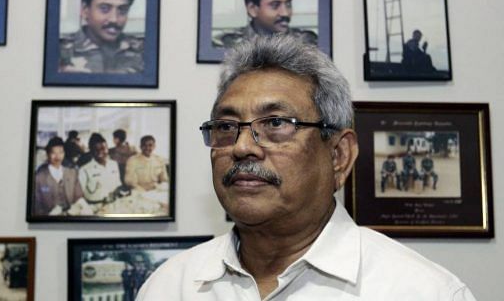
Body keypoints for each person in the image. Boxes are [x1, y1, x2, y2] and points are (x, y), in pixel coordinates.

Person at [136, 33, 475, 300]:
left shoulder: (421, 292)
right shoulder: (170, 287)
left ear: (339, 155)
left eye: (276, 124)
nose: (241, 147)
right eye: (226, 127)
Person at [59, 0, 144, 74]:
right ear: (85, 10)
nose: (114, 19)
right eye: (104, 9)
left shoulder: (143, 52)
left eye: (122, 10)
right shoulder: (60, 54)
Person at [215, 0, 317, 48]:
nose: (285, 13)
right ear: (252, 8)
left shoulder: (308, 43)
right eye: (275, 5)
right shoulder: (226, 44)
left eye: (288, 4)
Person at [33, 137, 84, 215]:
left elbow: (79, 197)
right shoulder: (39, 177)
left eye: (61, 152)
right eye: (53, 153)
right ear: (47, 154)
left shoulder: (72, 173)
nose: (57, 156)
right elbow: (36, 206)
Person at [78, 133, 122, 204]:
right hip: (94, 205)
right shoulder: (84, 170)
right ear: (91, 151)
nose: (100, 152)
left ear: (107, 148)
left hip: (113, 203)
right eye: (96, 150)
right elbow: (79, 194)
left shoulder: (114, 164)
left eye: (103, 148)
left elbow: (117, 185)